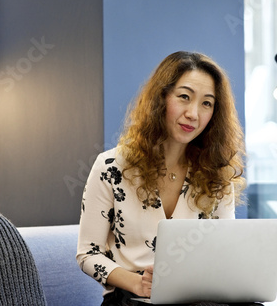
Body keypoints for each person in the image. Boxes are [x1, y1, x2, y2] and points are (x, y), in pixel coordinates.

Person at [76, 51, 246, 306]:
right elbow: (87, 254)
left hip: (196, 298)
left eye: (206, 103)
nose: (193, 114)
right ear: (161, 97)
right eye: (184, 97)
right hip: (130, 298)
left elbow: (225, 253)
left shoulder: (217, 173)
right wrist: (138, 283)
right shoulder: (110, 167)